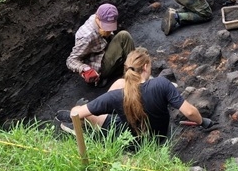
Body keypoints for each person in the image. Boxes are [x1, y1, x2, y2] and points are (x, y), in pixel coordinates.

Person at [58, 47, 212, 143]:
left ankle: (92, 122)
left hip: (129, 140)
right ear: (145, 67)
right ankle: (100, 110)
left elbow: (75, 114)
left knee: (81, 109)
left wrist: (78, 110)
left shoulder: (116, 97)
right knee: (119, 84)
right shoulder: (162, 84)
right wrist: (202, 121)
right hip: (159, 136)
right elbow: (190, 112)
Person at [66, 3, 135, 87]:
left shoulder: (100, 16)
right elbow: (71, 60)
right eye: (106, 26)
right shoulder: (87, 36)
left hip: (105, 51)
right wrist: (86, 70)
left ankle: (130, 68)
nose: (109, 29)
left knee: (139, 54)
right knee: (124, 36)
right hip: (99, 67)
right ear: (97, 18)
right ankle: (133, 76)